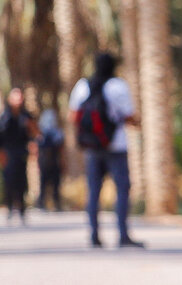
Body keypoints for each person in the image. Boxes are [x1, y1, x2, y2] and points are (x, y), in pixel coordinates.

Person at [69, 52, 144, 249]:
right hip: (116, 146)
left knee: (94, 191)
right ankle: (123, 234)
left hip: (92, 147)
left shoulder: (83, 85)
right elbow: (128, 115)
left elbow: (73, 115)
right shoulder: (118, 86)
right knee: (122, 189)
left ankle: (94, 235)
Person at [0, 86, 37, 222]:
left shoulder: (26, 116)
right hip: (7, 152)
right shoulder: (4, 116)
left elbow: (34, 133)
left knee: (21, 180)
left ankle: (22, 207)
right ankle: (9, 206)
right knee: (8, 180)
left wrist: (33, 143)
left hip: (21, 152)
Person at [36, 108, 65, 211]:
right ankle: (43, 203)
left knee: (54, 183)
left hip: (52, 160)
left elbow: (60, 148)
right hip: (46, 161)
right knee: (45, 183)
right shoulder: (42, 133)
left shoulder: (56, 133)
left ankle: (55, 203)